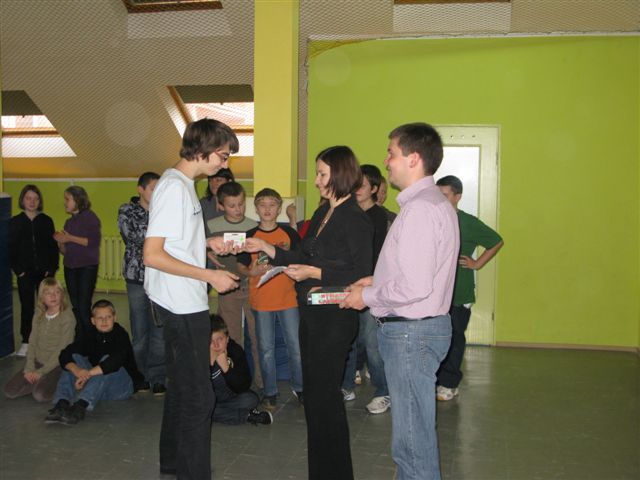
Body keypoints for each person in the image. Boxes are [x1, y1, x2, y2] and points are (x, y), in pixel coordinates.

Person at [245, 145, 372, 480]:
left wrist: (314, 273)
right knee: (315, 399)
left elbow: (363, 272)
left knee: (326, 398)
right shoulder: (323, 212)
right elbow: (302, 255)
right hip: (312, 315)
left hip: (335, 318)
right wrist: (267, 247)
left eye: (321, 174)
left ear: (340, 175)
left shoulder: (354, 218)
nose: (316, 180)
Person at [340, 123, 459, 480]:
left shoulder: (421, 208)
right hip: (418, 329)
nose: (385, 161)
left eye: (391, 153)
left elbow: (415, 286)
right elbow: (418, 273)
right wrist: (377, 281)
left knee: (411, 440)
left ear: (413, 158)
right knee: (413, 433)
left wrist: (366, 295)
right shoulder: (428, 203)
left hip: (411, 333)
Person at [143, 118, 241, 479]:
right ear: (204, 149)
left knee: (183, 392)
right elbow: (152, 255)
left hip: (184, 303)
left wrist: (205, 244)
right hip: (180, 306)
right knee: (200, 398)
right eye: (223, 155)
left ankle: (172, 463)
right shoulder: (173, 188)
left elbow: (175, 243)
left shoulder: (182, 185)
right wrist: (210, 275)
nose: (225, 163)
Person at [435, 175, 504, 401]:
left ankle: (449, 383)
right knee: (435, 336)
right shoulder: (432, 219)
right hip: (435, 293)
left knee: (455, 337)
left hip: (459, 292)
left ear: (458, 197)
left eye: (445, 195)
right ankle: (433, 379)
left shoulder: (467, 222)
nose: (440, 199)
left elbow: (496, 241)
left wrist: (477, 263)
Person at [237, 188, 303, 411]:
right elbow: (241, 265)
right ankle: (270, 392)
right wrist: (251, 271)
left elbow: (300, 258)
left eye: (272, 205)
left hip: (288, 299)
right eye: (262, 205)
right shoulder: (249, 235)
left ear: (279, 209)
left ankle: (300, 388)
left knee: (295, 346)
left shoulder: (289, 234)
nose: (267, 209)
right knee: (265, 348)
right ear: (255, 209)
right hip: (262, 300)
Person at [44, 299, 143, 426]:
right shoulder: (89, 334)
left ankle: (80, 406)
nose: (104, 321)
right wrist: (77, 371)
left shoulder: (120, 334)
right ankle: (61, 403)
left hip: (120, 388)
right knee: (74, 357)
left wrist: (87, 374)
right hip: (98, 387)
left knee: (107, 360)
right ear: (93, 320)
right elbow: (65, 354)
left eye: (108, 317)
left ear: (114, 318)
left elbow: (115, 362)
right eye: (100, 318)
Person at [341, 164, 391, 414]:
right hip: (347, 285)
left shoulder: (380, 217)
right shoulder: (346, 212)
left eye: (362, 185)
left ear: (374, 189)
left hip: (372, 288)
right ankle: (346, 386)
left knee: (372, 343)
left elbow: (379, 256)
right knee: (348, 339)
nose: (357, 190)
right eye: (354, 185)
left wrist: (372, 284)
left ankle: (383, 391)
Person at [207, 181, 261, 388]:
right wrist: (207, 252)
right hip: (227, 287)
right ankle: (234, 382)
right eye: (232, 206)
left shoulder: (253, 226)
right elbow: (198, 248)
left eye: (241, 204)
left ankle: (261, 383)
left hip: (252, 285)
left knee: (257, 336)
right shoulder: (212, 226)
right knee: (231, 336)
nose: (238, 209)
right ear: (221, 205)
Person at [118, 171, 166, 395]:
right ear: (141, 189)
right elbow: (133, 236)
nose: (157, 193)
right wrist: (160, 236)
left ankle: (158, 377)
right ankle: (140, 375)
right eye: (153, 188)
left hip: (161, 276)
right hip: (136, 278)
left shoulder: (164, 210)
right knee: (139, 331)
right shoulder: (126, 210)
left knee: (159, 330)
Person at [4, 278, 75, 402]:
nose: (53, 296)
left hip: (57, 364)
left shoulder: (67, 317)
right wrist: (29, 367)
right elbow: (32, 342)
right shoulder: (39, 314)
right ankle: (39, 381)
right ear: (41, 297)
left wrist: (42, 372)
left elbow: (62, 349)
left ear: (62, 295)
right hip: (38, 361)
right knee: (10, 391)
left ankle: (63, 381)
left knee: (40, 395)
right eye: (48, 293)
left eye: (57, 292)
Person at [9, 184, 59, 357]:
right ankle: (26, 341)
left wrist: (51, 269)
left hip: (44, 273)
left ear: (39, 201)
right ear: (22, 200)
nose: (32, 202)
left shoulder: (46, 221)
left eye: (35, 199)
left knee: (47, 307)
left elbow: (52, 247)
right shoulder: (15, 222)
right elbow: (11, 248)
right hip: (25, 273)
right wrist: (18, 270)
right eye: (28, 198)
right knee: (27, 307)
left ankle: (45, 340)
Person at [54, 185, 101, 341]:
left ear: (78, 200)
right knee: (75, 306)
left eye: (67, 199)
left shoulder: (91, 217)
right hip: (70, 267)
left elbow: (92, 242)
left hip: (87, 267)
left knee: (83, 306)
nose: (65, 202)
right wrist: (60, 243)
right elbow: (65, 251)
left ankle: (91, 339)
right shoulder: (68, 222)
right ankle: (80, 338)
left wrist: (69, 238)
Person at [209, 315, 272, 426]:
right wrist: (210, 364)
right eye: (211, 341)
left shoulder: (235, 350)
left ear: (227, 339)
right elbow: (194, 390)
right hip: (208, 398)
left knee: (251, 399)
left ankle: (215, 412)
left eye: (220, 339)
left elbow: (244, 385)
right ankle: (246, 416)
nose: (216, 345)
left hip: (230, 397)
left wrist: (226, 368)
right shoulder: (199, 354)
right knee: (198, 407)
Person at [200, 167, 235, 237]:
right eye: (210, 180)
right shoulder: (203, 203)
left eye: (218, 180)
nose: (213, 183)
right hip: (207, 242)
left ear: (229, 182)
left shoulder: (237, 203)